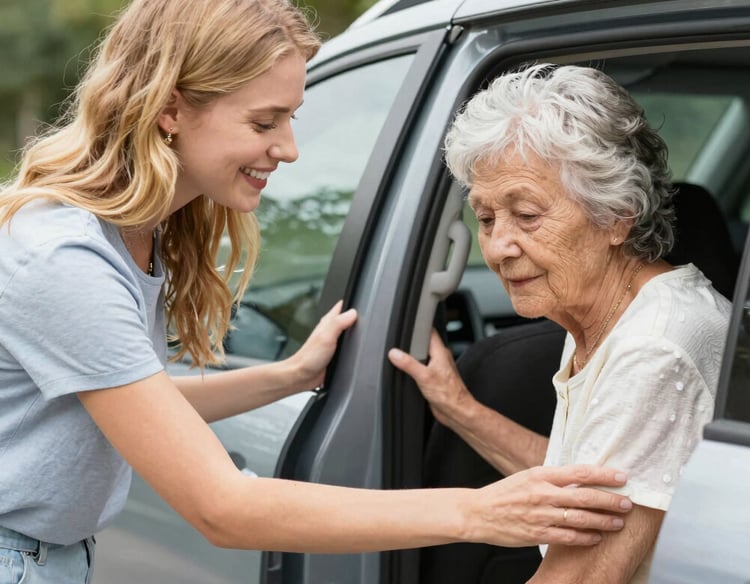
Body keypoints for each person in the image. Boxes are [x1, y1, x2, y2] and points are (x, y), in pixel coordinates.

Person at [0, 5, 636, 583]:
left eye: (292, 118)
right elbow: (223, 508)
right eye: (264, 121)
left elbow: (134, 402)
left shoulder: (135, 237)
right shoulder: (64, 257)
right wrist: (481, 511)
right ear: (170, 108)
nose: (290, 149)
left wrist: (291, 376)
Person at [388, 63, 731, 584]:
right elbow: (578, 487)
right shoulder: (609, 316)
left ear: (616, 215)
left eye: (527, 215)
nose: (499, 247)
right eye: (485, 219)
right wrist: (456, 408)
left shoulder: (654, 349)